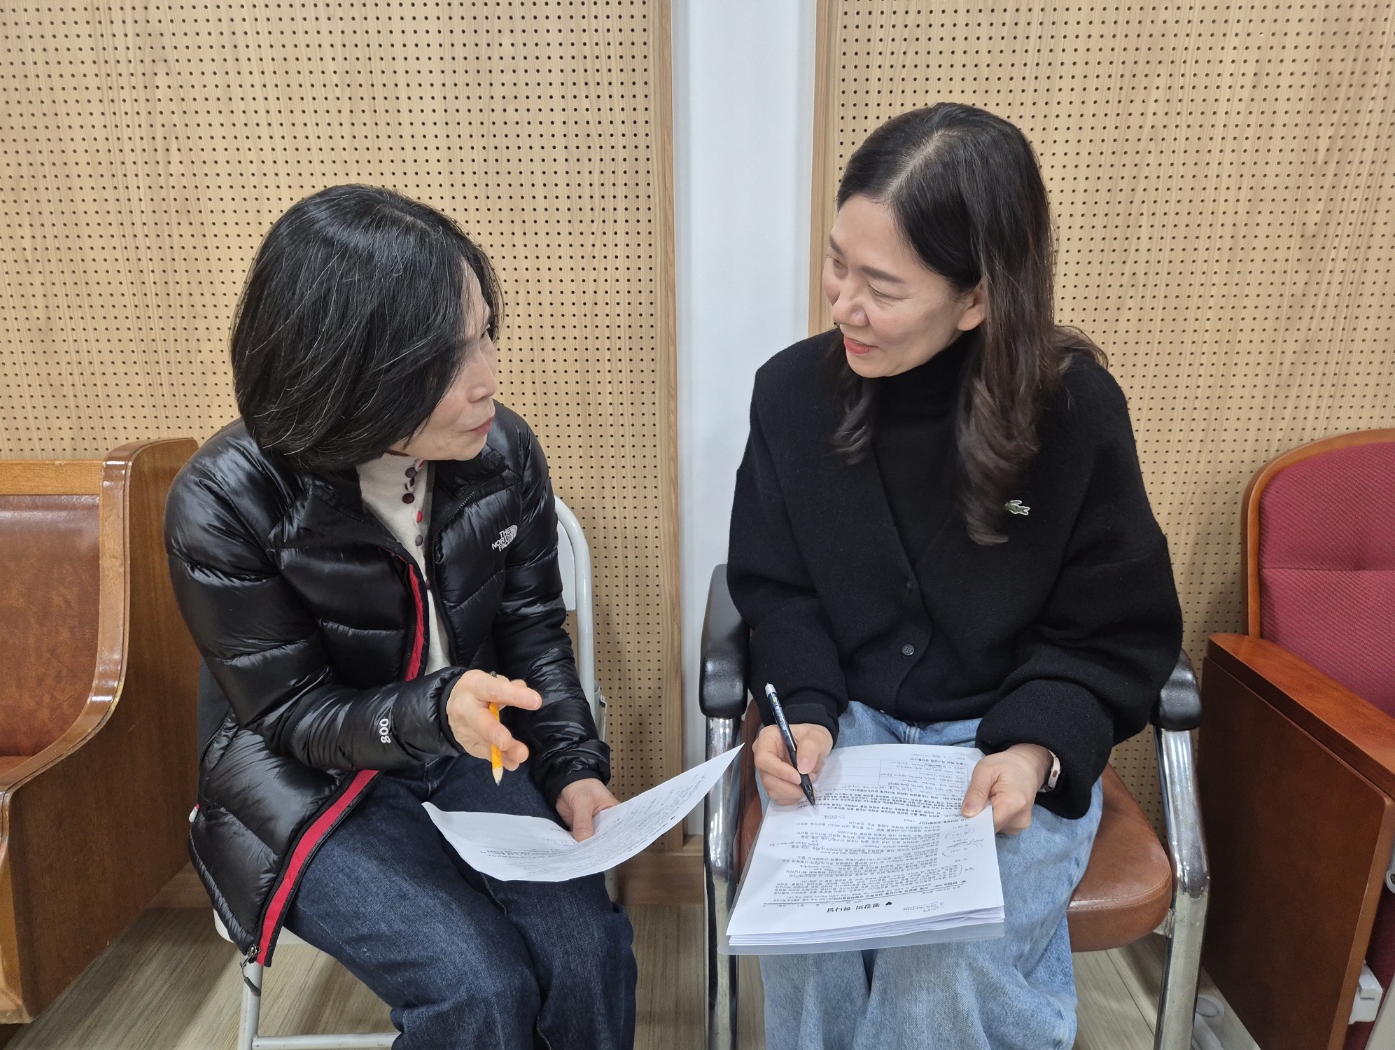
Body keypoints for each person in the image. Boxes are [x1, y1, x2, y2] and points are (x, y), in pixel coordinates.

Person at [727, 103, 1183, 1049]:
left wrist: (1033, 750)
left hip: (1003, 744)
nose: (843, 305)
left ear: (977, 297)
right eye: (837, 264)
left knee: (937, 957)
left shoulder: (1073, 414)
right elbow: (778, 589)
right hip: (849, 734)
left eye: (883, 287)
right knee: (815, 940)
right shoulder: (792, 395)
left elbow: (1111, 631)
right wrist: (802, 711)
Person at [164, 184, 636, 1050]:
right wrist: (433, 710)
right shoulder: (224, 501)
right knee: (476, 983)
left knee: (587, 953)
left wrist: (573, 766)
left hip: (465, 751)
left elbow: (533, 632)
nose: (489, 380)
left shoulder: (502, 454)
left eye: (486, 333)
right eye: (447, 359)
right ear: (348, 370)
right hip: (300, 783)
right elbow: (290, 714)